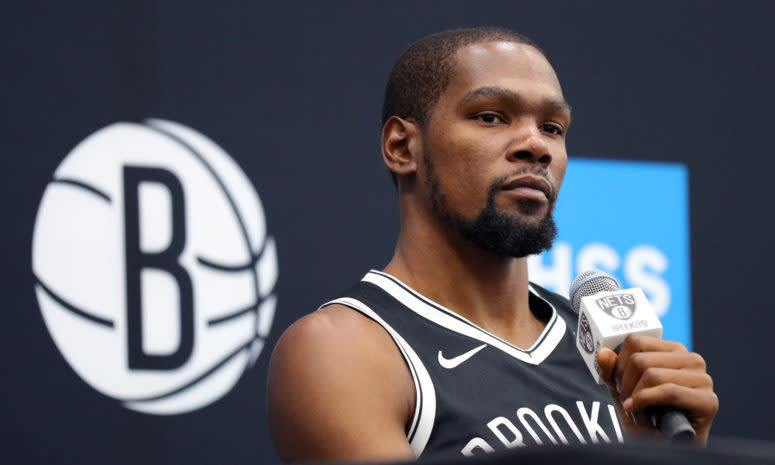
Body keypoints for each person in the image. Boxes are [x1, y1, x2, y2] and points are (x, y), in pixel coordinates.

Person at [266, 27, 718, 463]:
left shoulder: (606, 354)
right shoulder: (345, 349)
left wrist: (661, 454)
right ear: (402, 147)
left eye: (553, 128)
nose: (535, 145)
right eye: (491, 117)